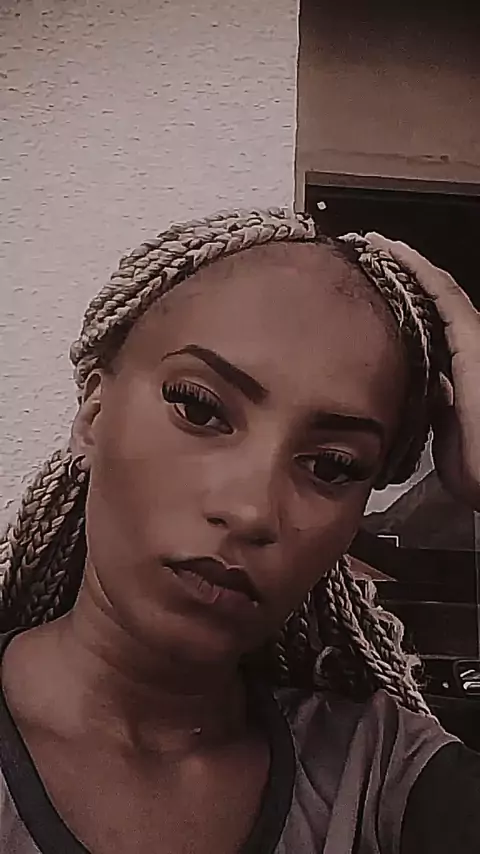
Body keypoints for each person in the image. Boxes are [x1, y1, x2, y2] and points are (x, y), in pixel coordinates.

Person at [0, 208, 479, 854]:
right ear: (93, 413)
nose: (252, 510)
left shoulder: (378, 777)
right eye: (199, 409)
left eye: (332, 466)